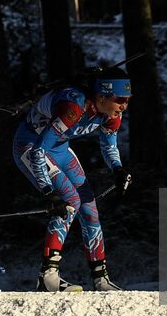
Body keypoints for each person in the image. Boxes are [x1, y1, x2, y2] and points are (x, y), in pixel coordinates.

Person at [12, 67, 134, 292]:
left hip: (59, 149)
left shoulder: (111, 113)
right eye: (120, 100)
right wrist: (49, 192)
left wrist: (117, 169)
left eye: (127, 100)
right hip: (30, 145)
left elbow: (109, 146)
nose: (124, 106)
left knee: (89, 207)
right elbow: (38, 150)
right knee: (69, 202)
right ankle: (47, 278)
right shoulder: (73, 106)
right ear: (102, 96)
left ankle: (101, 279)